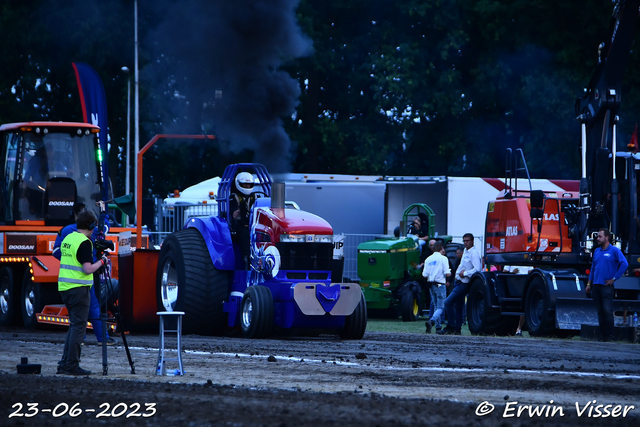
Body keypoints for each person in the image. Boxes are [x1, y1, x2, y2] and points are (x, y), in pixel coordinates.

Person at [53, 202, 117, 346]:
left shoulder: (65, 232)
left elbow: (56, 252)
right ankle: (102, 338)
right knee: (92, 308)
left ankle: (78, 343)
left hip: (66, 282)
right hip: (85, 276)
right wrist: (103, 213)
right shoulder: (90, 234)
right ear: (90, 225)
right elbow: (104, 228)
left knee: (76, 318)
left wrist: (71, 259)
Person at [57, 210, 109, 375]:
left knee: (73, 326)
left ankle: (65, 364)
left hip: (65, 288)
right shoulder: (84, 242)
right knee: (79, 327)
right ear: (92, 225)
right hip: (78, 289)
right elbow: (87, 269)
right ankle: (72, 365)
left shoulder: (68, 238)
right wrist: (102, 261)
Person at [586, 228, 628, 342]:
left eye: (600, 236)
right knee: (600, 311)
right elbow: (593, 268)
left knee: (607, 311)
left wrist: (614, 279)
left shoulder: (614, 251)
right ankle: (602, 335)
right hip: (596, 285)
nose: (597, 238)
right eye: (597, 236)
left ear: (607, 238)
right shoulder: (597, 251)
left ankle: (611, 335)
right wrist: (589, 284)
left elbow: (624, 264)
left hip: (606, 286)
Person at [438, 233, 482, 335]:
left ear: (472, 241)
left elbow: (477, 269)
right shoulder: (466, 251)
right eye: (464, 241)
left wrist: (465, 273)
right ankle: (457, 329)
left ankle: (451, 326)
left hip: (464, 283)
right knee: (458, 306)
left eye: (467, 241)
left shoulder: (474, 254)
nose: (465, 243)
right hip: (459, 281)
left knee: (447, 302)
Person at [423, 241, 451, 333]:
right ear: (441, 248)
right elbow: (447, 273)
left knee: (435, 305)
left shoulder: (428, 259)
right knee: (441, 307)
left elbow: (424, 274)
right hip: (440, 284)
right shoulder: (443, 259)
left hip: (431, 284)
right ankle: (432, 321)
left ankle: (438, 327)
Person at [230, 172, 256, 263]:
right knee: (245, 235)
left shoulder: (255, 196)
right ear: (239, 184)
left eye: (249, 184)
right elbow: (232, 209)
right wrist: (234, 213)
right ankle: (247, 259)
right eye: (245, 184)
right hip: (240, 226)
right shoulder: (234, 197)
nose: (247, 186)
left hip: (253, 224)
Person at [503, 265, 533, 336]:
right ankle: (513, 329)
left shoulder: (527, 260)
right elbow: (504, 272)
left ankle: (518, 329)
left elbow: (531, 272)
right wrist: (512, 273)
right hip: (513, 285)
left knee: (525, 305)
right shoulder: (511, 258)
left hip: (524, 283)